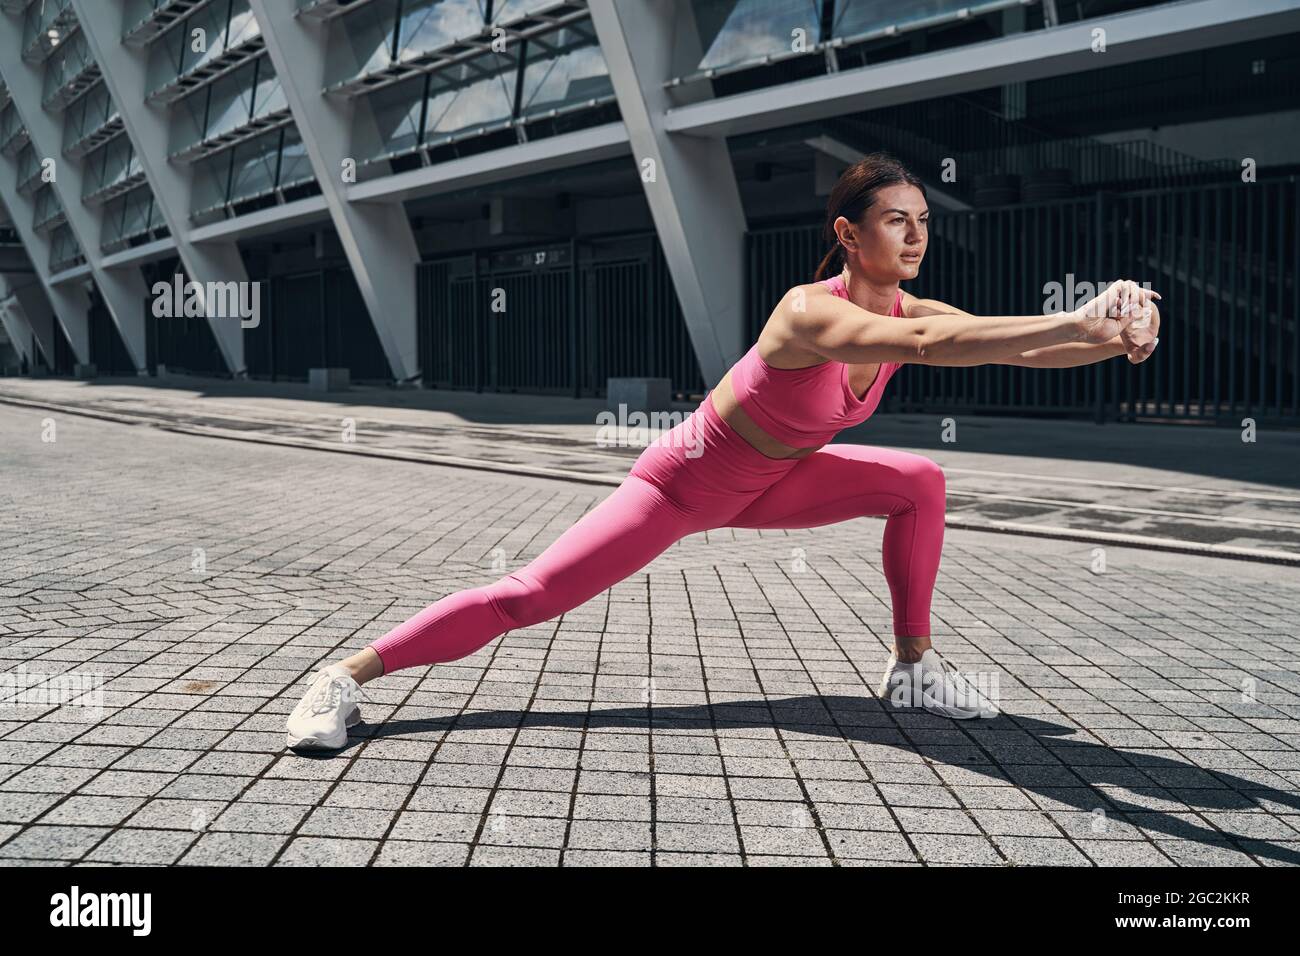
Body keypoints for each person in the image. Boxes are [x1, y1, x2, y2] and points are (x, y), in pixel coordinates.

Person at [286, 152, 1160, 750]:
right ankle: (348, 675)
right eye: (896, 221)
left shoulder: (911, 308)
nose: (916, 235)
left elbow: (1009, 344)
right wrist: (1079, 319)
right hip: (681, 487)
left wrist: (1113, 334)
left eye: (923, 220)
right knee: (529, 595)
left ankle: (912, 668)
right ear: (849, 234)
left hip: (775, 483)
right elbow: (936, 351)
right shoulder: (808, 311)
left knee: (919, 480)